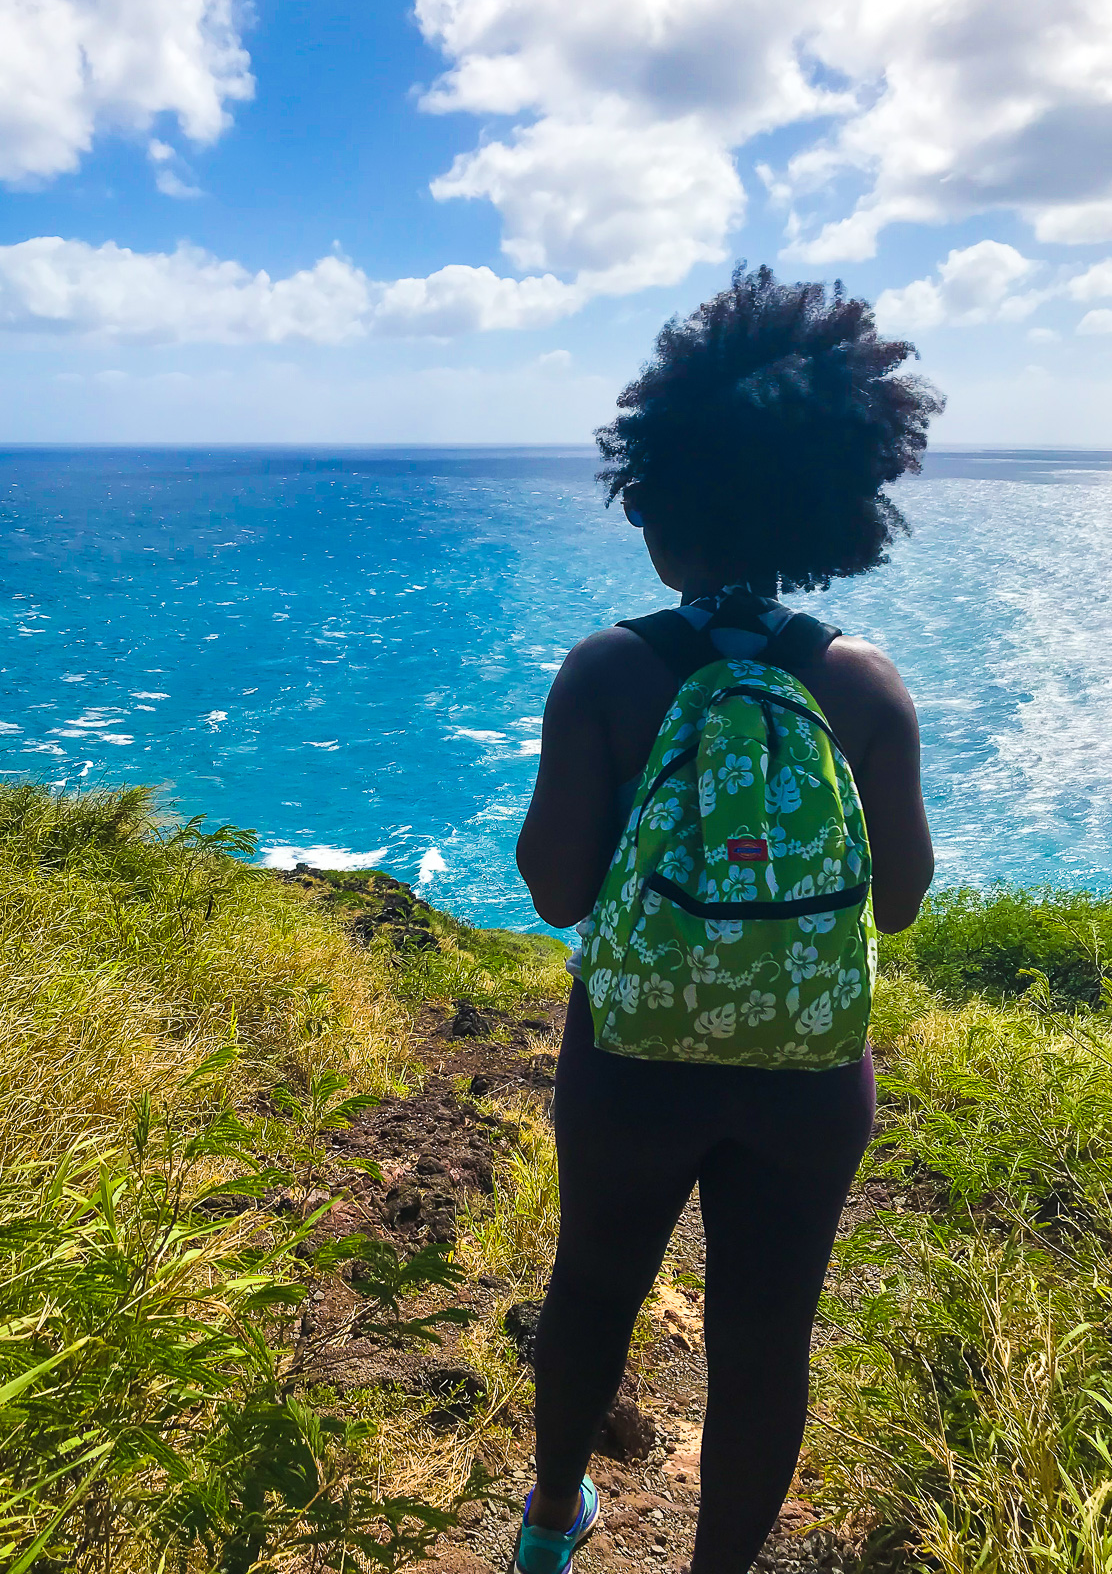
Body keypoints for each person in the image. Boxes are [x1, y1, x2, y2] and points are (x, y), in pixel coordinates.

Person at [512, 265, 940, 1574]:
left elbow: (557, 891)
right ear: (831, 505)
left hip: (633, 1059)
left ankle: (549, 1528)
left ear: (658, 502)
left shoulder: (609, 670)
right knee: (767, 1340)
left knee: (593, 1284)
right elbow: (907, 903)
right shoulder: (864, 683)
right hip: (809, 1075)